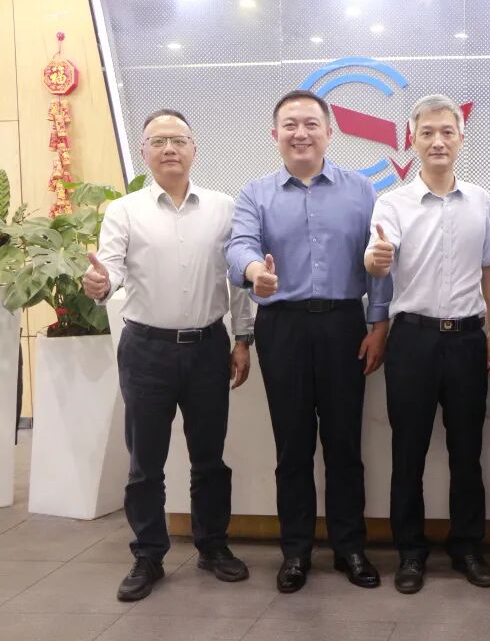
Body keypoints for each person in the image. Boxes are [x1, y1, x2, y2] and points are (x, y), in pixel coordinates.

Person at [225, 90, 392, 593]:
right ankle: (295, 552)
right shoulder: (255, 194)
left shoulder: (362, 190)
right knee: (292, 445)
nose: (301, 133)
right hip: (283, 327)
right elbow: (239, 245)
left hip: (345, 326)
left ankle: (350, 548)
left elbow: (380, 258)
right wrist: (254, 272)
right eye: (291, 125)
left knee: (345, 444)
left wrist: (378, 324)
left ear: (329, 132)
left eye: (311, 124)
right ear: (274, 134)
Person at [83, 109, 253, 602]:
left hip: (208, 348)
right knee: (145, 462)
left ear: (194, 148)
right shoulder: (124, 211)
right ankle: (148, 555)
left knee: (210, 458)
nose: (169, 149)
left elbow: (239, 280)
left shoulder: (223, 207)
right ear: (144, 153)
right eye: (158, 142)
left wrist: (243, 338)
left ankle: (213, 546)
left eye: (178, 139)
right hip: (146, 351)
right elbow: (109, 270)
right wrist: (99, 283)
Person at [364, 94, 490, 594]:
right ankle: (410, 551)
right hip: (412, 341)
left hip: (468, 340)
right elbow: (376, 258)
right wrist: (378, 259)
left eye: (447, 131)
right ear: (413, 139)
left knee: (467, 452)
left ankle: (467, 547)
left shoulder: (481, 201)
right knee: (408, 451)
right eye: (427, 132)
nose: (438, 141)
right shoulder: (392, 203)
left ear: (461, 138)